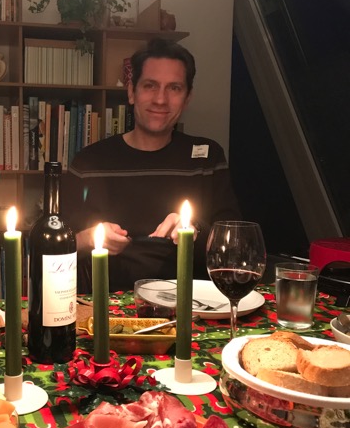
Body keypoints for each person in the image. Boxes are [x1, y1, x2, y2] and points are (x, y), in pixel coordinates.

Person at [62, 38, 241, 293]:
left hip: (194, 304)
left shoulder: (208, 158)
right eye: (150, 86)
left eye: (174, 88)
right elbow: (56, 247)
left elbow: (234, 249)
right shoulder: (89, 163)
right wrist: (90, 238)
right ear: (131, 92)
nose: (160, 99)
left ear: (187, 98)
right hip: (107, 305)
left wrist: (195, 230)